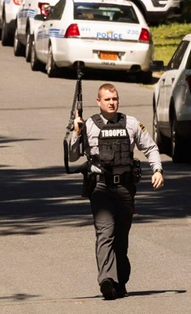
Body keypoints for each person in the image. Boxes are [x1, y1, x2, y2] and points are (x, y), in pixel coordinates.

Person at [69, 84, 164, 300]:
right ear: (98, 102)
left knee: (121, 237)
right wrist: (76, 132)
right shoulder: (89, 125)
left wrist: (157, 169)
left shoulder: (130, 123)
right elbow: (73, 156)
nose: (112, 102)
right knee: (105, 233)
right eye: (108, 99)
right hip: (100, 187)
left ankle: (120, 280)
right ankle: (106, 280)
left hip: (125, 188)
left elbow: (150, 148)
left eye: (115, 98)